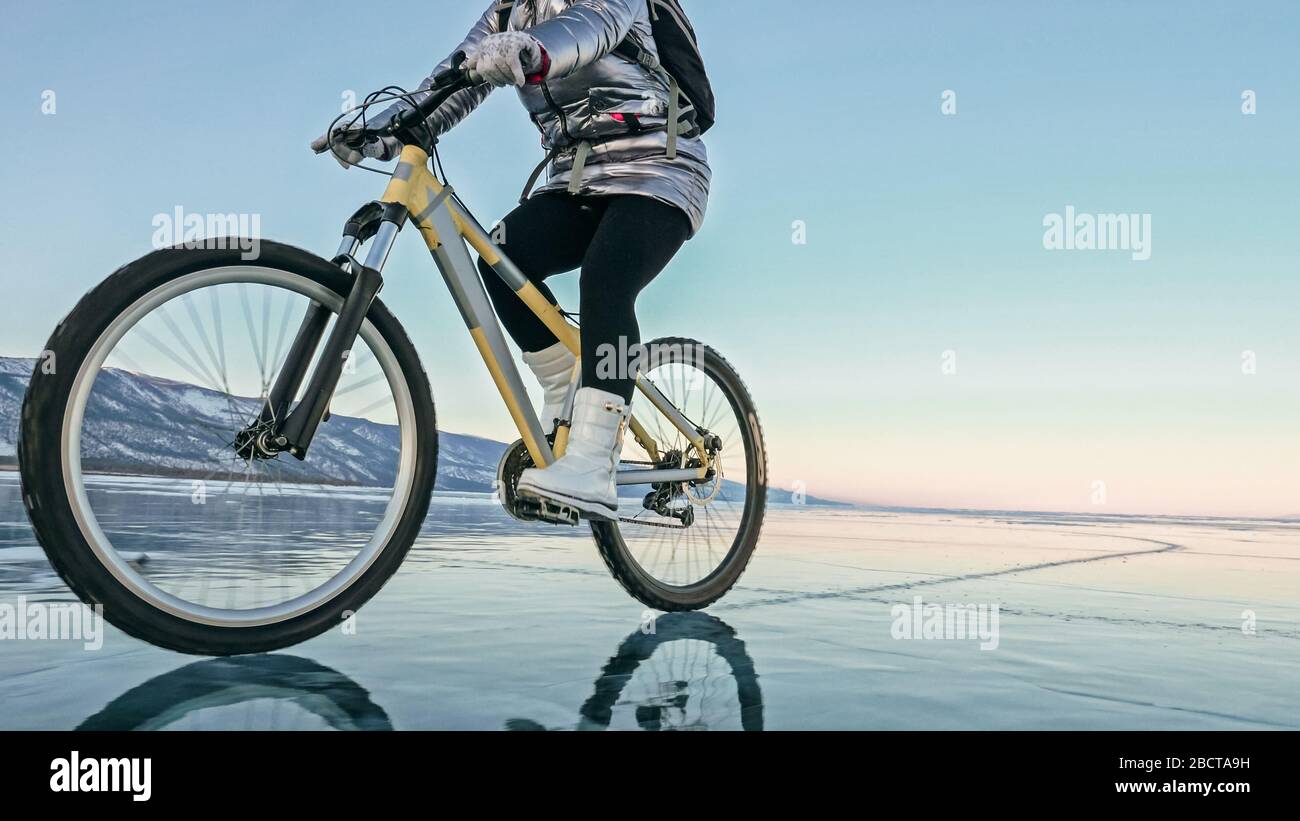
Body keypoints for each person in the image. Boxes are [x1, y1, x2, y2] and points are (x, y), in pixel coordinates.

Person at [313, 0, 710, 520]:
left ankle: (593, 463)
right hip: (575, 180)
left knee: (607, 280)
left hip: (660, 167)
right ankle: (565, 383)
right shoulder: (505, 15)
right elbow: (447, 84)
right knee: (502, 260)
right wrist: (382, 129)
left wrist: (535, 49)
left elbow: (590, 28)